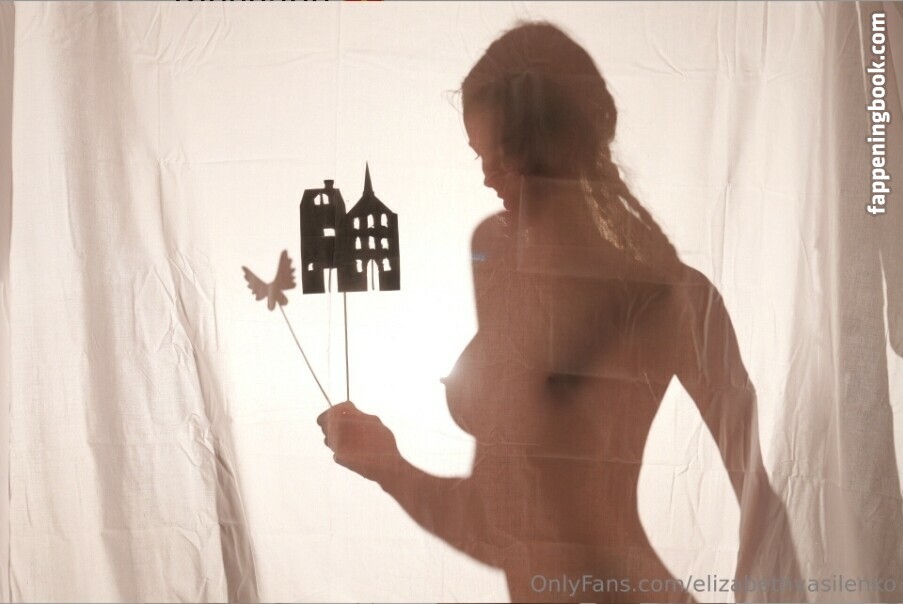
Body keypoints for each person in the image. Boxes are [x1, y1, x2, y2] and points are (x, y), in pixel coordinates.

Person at [318, 21, 799, 603]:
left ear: (558, 146)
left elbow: (766, 514)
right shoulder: (496, 255)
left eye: (501, 157)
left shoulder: (677, 299)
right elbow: (502, 525)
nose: (486, 176)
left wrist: (391, 470)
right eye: (478, 155)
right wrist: (387, 465)